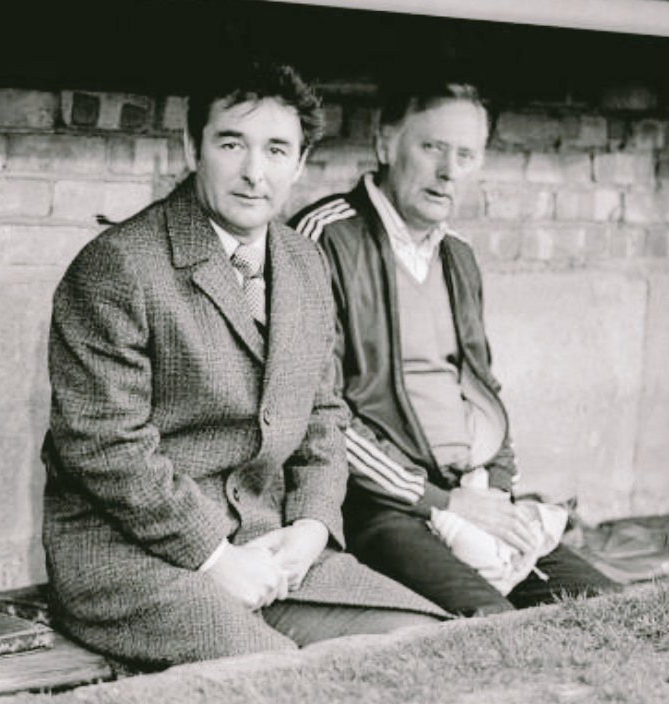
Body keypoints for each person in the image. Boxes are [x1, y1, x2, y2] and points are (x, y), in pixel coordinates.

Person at [40, 62, 444, 668]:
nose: (255, 172)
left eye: (277, 150)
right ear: (192, 148)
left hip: (272, 548)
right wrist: (215, 556)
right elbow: (104, 446)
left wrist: (311, 527)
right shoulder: (118, 266)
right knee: (278, 676)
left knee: (423, 644)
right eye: (232, 144)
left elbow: (323, 416)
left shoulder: (305, 262)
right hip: (135, 561)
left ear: (300, 163)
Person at [291, 79, 617, 617]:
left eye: (465, 155)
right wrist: (443, 502)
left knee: (608, 607)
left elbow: (486, 392)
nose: (449, 171)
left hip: (470, 493)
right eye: (432, 147)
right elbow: (316, 414)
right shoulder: (323, 238)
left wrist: (499, 495)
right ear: (385, 144)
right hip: (379, 507)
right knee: (491, 623)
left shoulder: (458, 256)